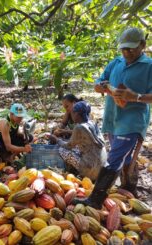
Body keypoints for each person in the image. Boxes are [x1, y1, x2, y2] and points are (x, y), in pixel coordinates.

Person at [73, 27, 152, 208]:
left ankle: (95, 200)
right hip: (113, 119)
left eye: (131, 48)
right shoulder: (116, 62)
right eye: (123, 48)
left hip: (132, 121)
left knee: (114, 159)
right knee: (122, 157)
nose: (126, 52)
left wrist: (136, 97)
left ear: (142, 45)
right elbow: (98, 84)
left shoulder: (149, 67)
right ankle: (130, 187)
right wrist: (102, 86)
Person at [48, 101, 107, 181]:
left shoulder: (79, 127)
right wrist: (64, 132)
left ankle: (80, 173)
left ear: (77, 114)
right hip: (102, 167)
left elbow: (68, 146)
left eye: (72, 113)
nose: (71, 115)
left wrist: (57, 140)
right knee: (77, 148)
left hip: (91, 170)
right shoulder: (93, 123)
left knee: (62, 150)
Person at [0, 103, 32, 168]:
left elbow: (15, 132)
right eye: (19, 116)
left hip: (8, 141)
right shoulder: (5, 124)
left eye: (22, 116)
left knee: (28, 137)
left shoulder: (16, 121)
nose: (21, 118)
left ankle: (11, 157)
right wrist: (24, 149)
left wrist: (25, 137)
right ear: (11, 114)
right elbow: (8, 147)